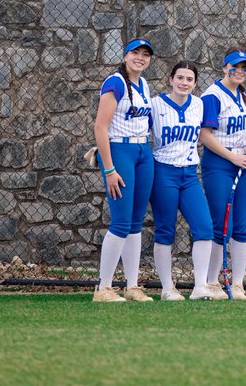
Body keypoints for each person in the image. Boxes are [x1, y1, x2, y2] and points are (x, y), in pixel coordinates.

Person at [92, 37, 156, 303]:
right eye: (135, 53)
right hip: (121, 151)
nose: (140, 57)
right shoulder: (115, 81)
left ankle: (132, 286)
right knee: (120, 221)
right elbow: (100, 127)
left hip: (143, 151)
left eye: (145, 54)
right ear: (125, 55)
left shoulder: (144, 84)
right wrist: (109, 169)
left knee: (135, 223)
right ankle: (103, 287)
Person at [149, 60, 220, 301]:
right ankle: (167, 288)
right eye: (180, 78)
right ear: (171, 79)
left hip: (189, 174)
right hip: (163, 172)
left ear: (195, 83)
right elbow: (137, 129)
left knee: (205, 228)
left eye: (189, 79)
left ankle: (200, 286)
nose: (184, 83)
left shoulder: (198, 105)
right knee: (165, 230)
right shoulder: (156, 104)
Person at [199, 48, 246, 298]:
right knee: (221, 225)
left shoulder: (243, 96)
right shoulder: (212, 95)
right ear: (224, 67)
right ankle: (211, 281)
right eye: (235, 66)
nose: (240, 71)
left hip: (244, 162)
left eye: (245, 68)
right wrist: (232, 156)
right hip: (220, 163)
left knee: (243, 226)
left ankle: (237, 282)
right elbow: (204, 135)